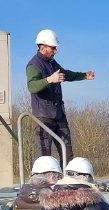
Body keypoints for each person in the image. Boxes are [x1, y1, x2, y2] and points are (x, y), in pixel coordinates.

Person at [27, 29, 95, 163]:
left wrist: (84, 76)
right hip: (44, 117)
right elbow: (32, 86)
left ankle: (69, 180)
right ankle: (43, 182)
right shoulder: (33, 65)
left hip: (59, 115)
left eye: (55, 48)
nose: (55, 51)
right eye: (53, 48)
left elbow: (66, 74)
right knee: (44, 156)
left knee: (67, 152)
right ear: (42, 47)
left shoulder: (53, 64)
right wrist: (49, 80)